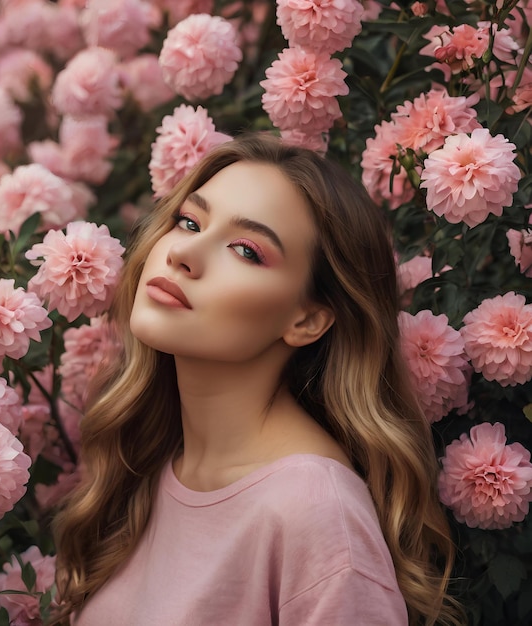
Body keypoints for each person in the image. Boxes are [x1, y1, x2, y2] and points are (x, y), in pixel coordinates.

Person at [53, 134, 461, 625]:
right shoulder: (149, 467)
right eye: (189, 221)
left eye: (246, 250)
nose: (185, 253)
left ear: (307, 319)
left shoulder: (313, 512)